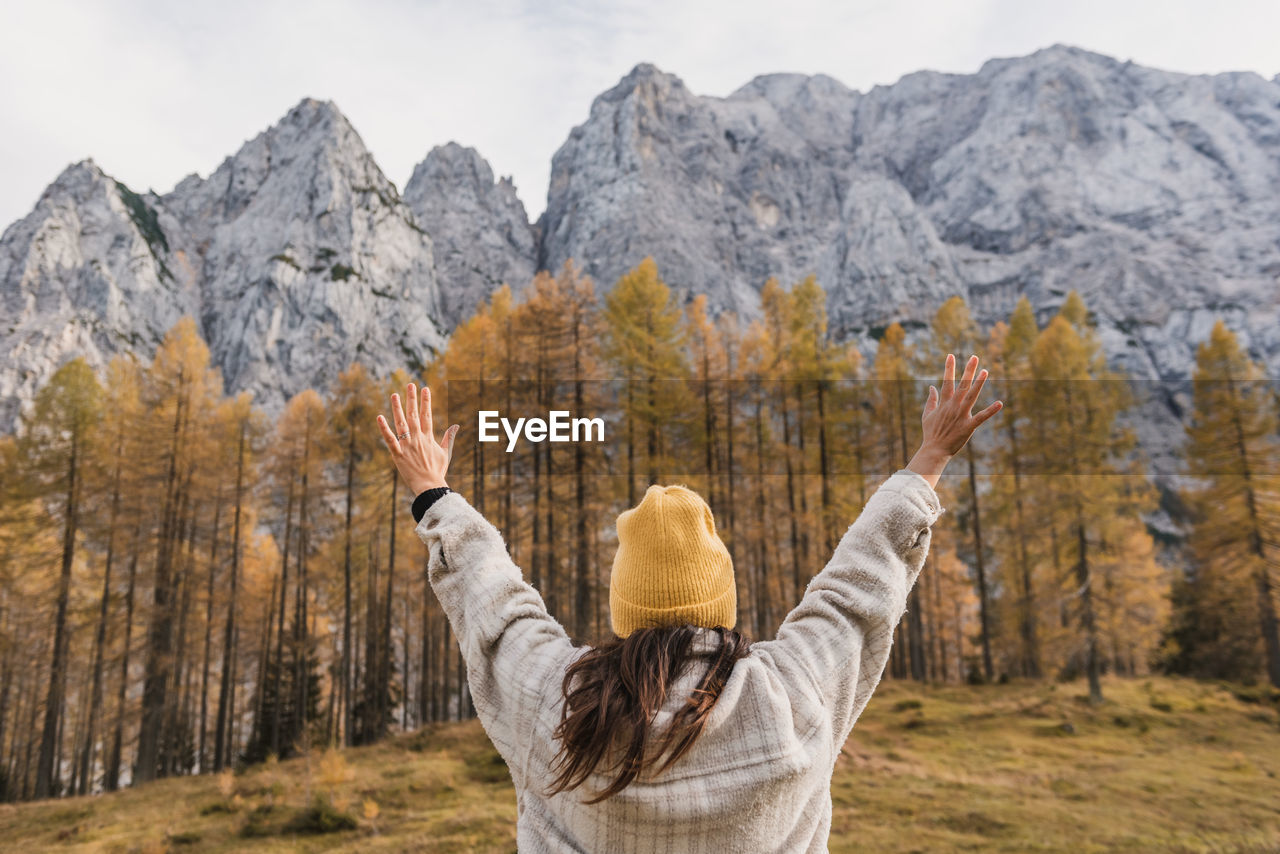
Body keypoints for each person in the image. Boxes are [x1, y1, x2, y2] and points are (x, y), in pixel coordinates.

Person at [376, 354, 1003, 853]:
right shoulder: (791, 696)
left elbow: (497, 606)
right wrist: (930, 458)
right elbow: (856, 589)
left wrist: (432, 492)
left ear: (626, 607)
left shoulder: (559, 707)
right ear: (721, 600)